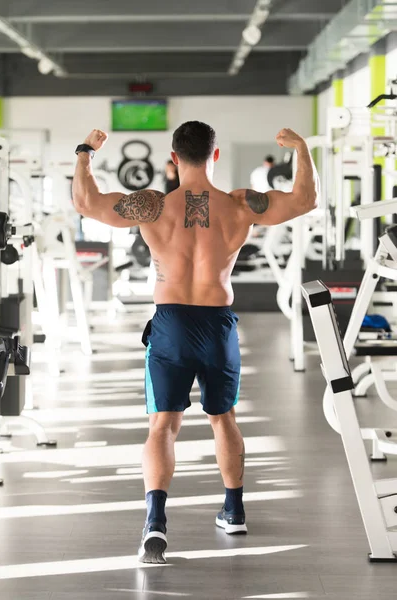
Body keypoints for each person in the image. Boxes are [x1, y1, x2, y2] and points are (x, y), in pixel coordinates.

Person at [72, 122, 318, 564]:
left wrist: (84, 152)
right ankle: (234, 510)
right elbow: (305, 200)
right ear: (215, 155)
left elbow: (86, 202)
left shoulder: (151, 205)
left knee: (162, 425)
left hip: (171, 323)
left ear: (173, 156)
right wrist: (301, 149)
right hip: (217, 322)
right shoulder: (240, 205)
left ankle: (155, 521)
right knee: (223, 419)